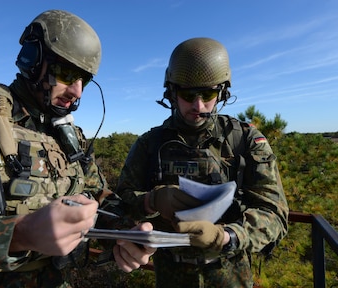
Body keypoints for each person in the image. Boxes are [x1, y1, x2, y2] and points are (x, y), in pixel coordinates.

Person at [0, 9, 155, 287]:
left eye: (83, 79)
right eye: (67, 73)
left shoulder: (71, 138)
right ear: (32, 60)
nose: (77, 92)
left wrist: (126, 233)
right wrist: (17, 234)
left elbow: (100, 196)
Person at [115, 37, 289, 287]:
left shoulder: (244, 140)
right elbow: (121, 202)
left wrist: (227, 236)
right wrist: (150, 200)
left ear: (222, 92)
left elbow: (274, 213)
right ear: (172, 93)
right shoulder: (150, 144)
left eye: (208, 94)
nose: (198, 105)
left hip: (230, 273)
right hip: (170, 273)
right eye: (188, 94)